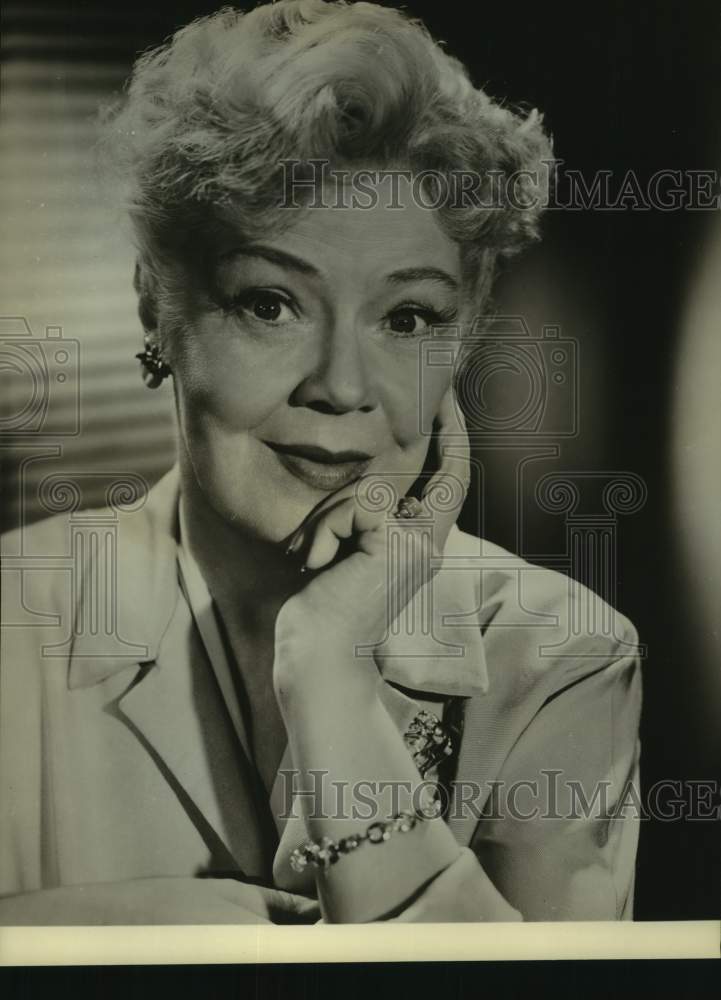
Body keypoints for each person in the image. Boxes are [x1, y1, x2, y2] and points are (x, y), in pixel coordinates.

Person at [0, 0, 641, 924]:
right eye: (269, 303)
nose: (342, 387)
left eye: (408, 318)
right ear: (156, 309)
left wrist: (331, 670)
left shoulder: (562, 656)